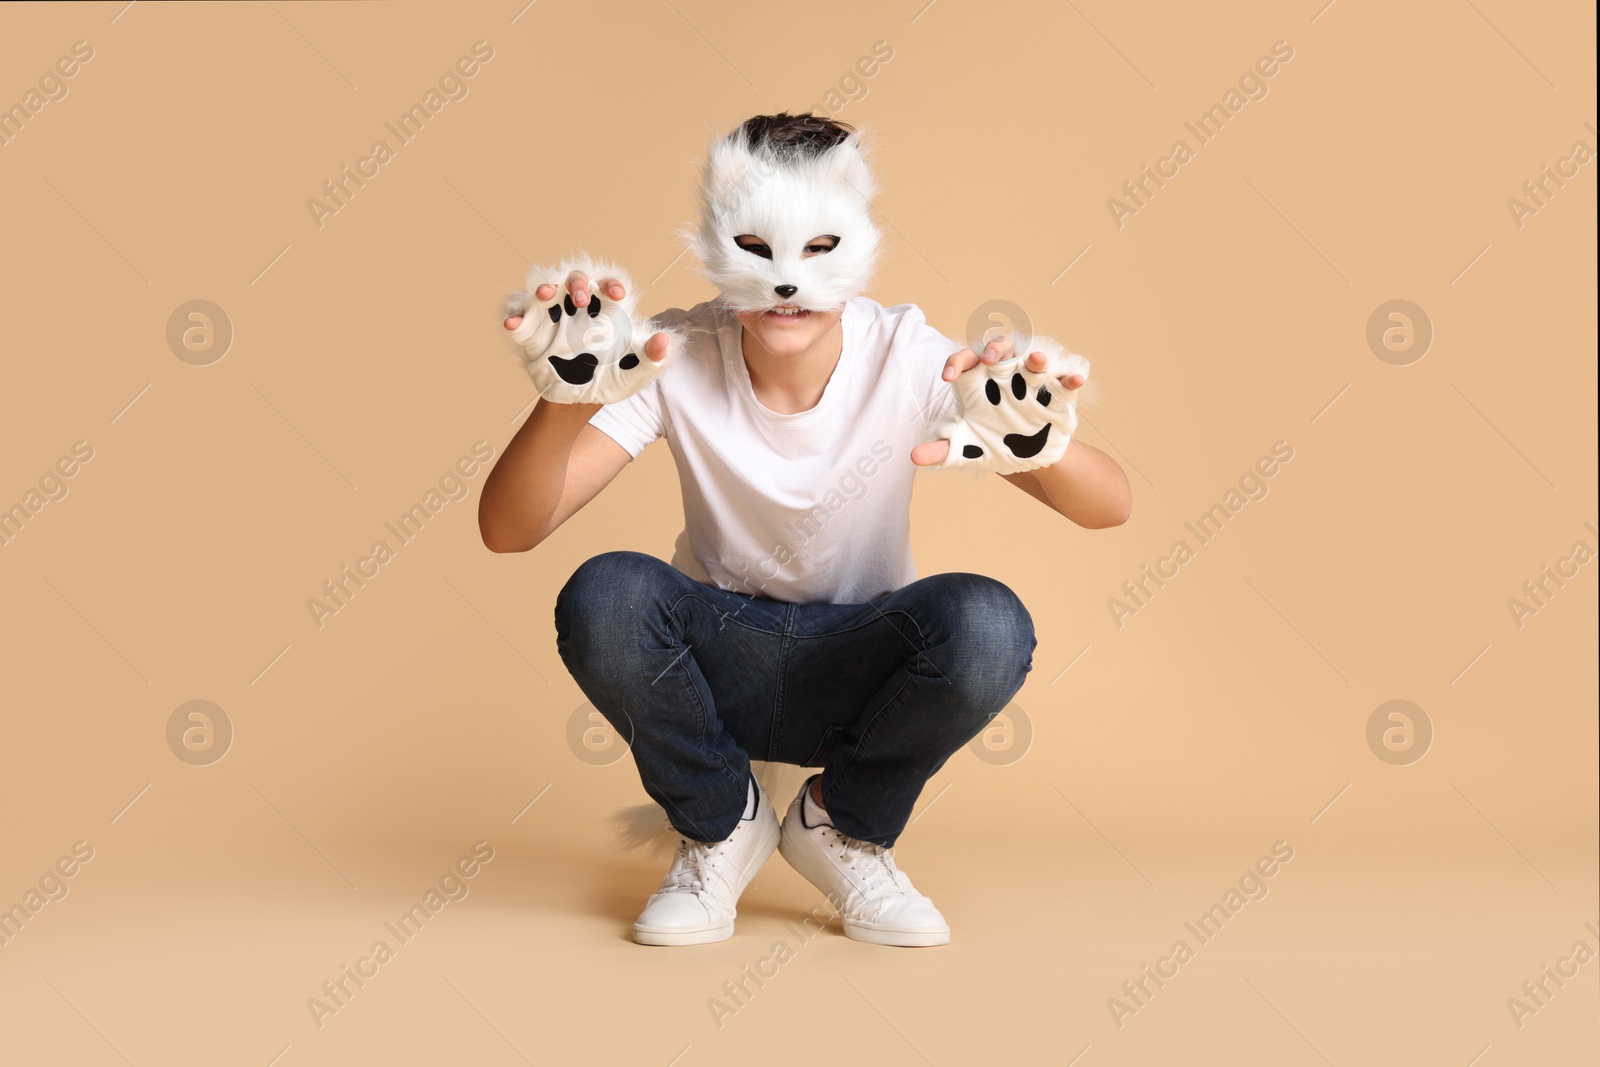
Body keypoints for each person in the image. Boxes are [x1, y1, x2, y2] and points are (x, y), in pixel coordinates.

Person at [479, 112, 1131, 948]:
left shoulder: (905, 353)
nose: (789, 283)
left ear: (860, 242)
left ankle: (843, 829)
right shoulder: (673, 353)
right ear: (715, 241)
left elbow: (1109, 504)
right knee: (604, 594)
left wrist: (1038, 442)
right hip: (720, 663)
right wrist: (560, 400)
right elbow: (508, 529)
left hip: (861, 665)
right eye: (757, 245)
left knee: (989, 622)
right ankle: (719, 825)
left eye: (821, 249)